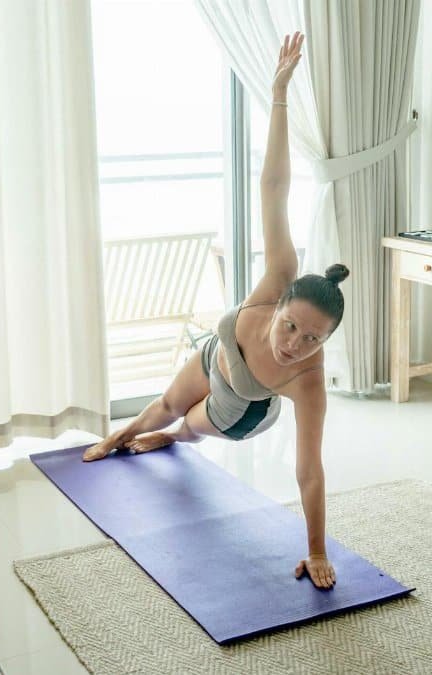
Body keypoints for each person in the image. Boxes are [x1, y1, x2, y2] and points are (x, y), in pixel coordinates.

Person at [82, 32, 345, 591]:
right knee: (162, 404)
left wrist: (317, 553)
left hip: (239, 410)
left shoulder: (309, 381)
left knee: (184, 426)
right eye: (290, 325)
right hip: (213, 354)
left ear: (323, 347)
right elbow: (273, 188)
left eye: (312, 341)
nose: (295, 343)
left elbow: (310, 472)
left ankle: (173, 439)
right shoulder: (280, 275)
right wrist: (278, 93)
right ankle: (120, 437)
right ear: (280, 304)